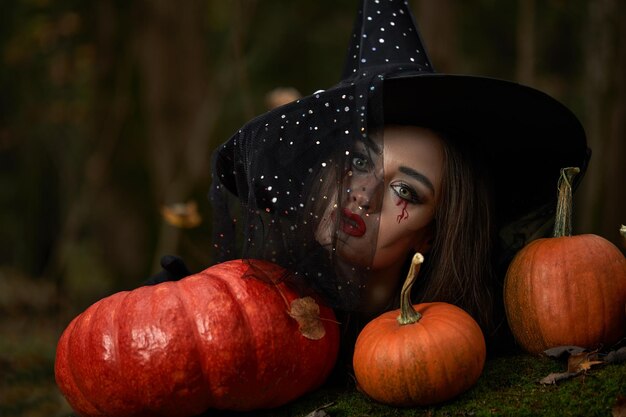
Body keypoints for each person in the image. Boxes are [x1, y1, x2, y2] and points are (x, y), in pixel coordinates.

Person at [162, 0, 590, 353]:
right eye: (360, 161)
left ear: (432, 234)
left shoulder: (478, 335)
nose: (364, 194)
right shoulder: (247, 309)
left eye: (406, 190)